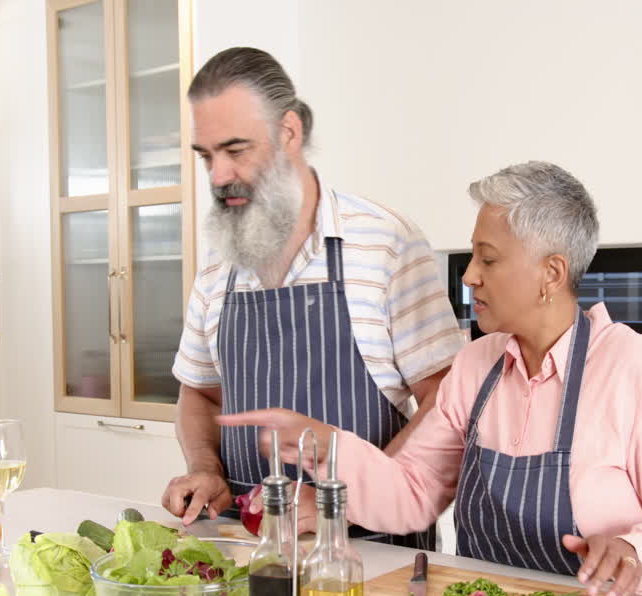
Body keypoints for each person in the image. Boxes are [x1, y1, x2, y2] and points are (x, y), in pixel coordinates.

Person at [222, 162, 642, 596]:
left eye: (488, 259)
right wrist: (327, 448)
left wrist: (637, 552)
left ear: (552, 273)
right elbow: (412, 494)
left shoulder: (633, 367)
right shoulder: (476, 366)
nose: (470, 275)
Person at [163, 48, 464, 552]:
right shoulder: (220, 263)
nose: (217, 175)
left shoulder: (384, 243)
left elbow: (447, 400)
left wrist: (352, 498)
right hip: (250, 551)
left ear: (289, 133)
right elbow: (199, 393)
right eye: (206, 155)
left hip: (373, 551)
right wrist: (205, 468)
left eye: (236, 150)